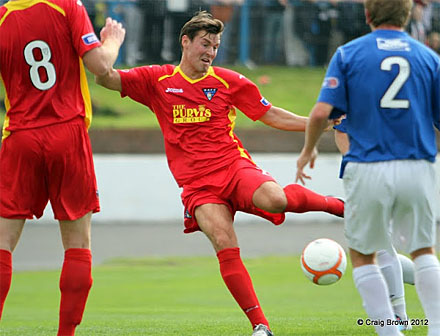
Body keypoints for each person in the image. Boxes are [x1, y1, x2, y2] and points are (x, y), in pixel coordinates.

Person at [96, 10, 344, 336]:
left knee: (276, 199)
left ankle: (339, 206)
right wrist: (110, 44)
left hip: (232, 167)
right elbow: (105, 77)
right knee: (224, 242)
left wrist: (319, 124)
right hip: (198, 186)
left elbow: (270, 115)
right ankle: (260, 327)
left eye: (215, 46)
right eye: (205, 44)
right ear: (185, 42)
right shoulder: (157, 80)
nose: (210, 53)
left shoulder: (229, 81)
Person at [296, 0, 440, 335]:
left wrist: (308, 150)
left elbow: (321, 114)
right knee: (423, 251)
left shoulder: (349, 54)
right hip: (416, 164)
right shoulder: (429, 58)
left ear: (367, 14)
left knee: (365, 254)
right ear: (407, 15)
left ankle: (391, 329)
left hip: (368, 165)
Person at [0, 1, 125, 334]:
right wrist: (112, 40)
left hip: (20, 137)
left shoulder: (3, 18)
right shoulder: (66, 5)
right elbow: (99, 66)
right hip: (66, 133)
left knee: (2, 243)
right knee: (77, 244)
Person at [334, 118, 414, 331]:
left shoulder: (357, 86)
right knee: (377, 244)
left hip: (373, 172)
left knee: (374, 243)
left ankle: (398, 316)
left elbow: (341, 130)